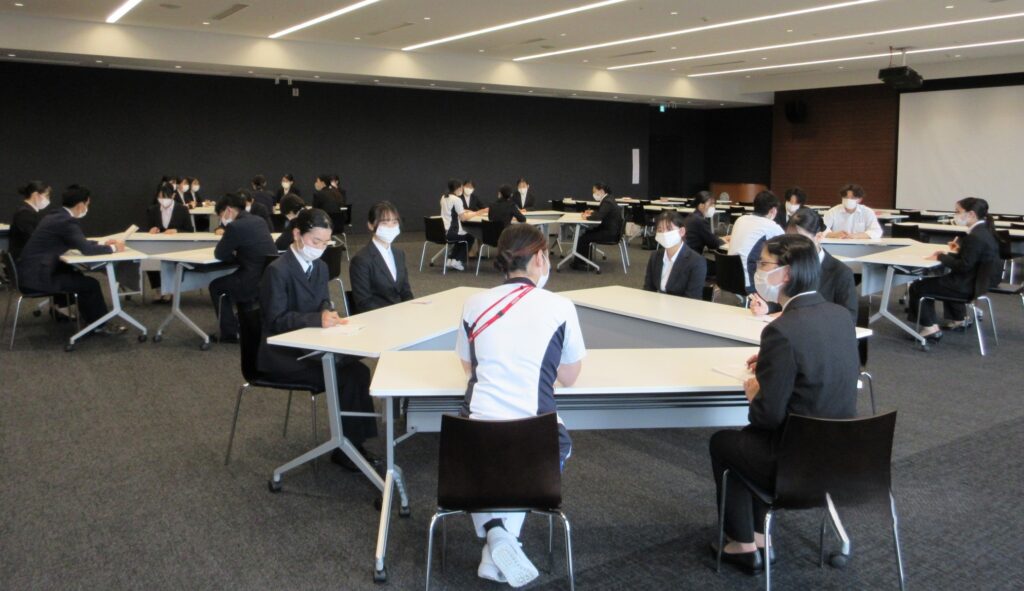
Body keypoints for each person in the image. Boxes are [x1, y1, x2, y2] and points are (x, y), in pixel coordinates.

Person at [709, 233, 859, 574]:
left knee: (726, 443)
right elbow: (819, 360)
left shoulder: (782, 330)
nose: (758, 270)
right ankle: (760, 537)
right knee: (749, 442)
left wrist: (755, 392)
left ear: (786, 273)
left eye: (764, 264)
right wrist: (771, 362)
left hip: (795, 463)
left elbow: (766, 416)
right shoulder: (839, 315)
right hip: (845, 454)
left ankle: (744, 544)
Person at [455, 224, 585, 586]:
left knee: (485, 461)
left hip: (472, 436)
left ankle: (496, 537)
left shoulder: (473, 304)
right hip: (534, 438)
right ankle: (503, 539)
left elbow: (469, 368)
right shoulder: (560, 306)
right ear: (540, 257)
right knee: (549, 449)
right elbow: (570, 376)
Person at [258, 208, 378, 471]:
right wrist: (316, 319)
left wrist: (327, 311)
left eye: (326, 242)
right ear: (297, 234)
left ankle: (353, 443)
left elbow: (323, 300)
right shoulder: (277, 270)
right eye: (315, 241)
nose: (321, 248)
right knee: (348, 374)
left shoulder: (321, 267)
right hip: (283, 354)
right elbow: (276, 320)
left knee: (357, 370)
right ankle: (346, 448)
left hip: (312, 343)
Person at [17, 185, 127, 335]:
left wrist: (102, 243)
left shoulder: (55, 216)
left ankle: (92, 320)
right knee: (91, 284)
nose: (87, 208)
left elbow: (78, 242)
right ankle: (99, 325)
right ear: (81, 205)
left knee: (78, 277)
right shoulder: (66, 221)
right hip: (38, 278)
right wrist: (114, 248)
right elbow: (87, 250)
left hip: (29, 274)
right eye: (87, 204)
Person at [907, 197, 1001, 340]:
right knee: (944, 280)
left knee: (917, 287)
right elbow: (972, 258)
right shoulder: (985, 232)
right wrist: (955, 253)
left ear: (971, 214)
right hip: (979, 283)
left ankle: (930, 328)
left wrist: (941, 257)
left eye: (958, 211)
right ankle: (959, 319)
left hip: (967, 285)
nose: (955, 215)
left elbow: (963, 266)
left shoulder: (975, 236)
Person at [750, 209, 857, 321]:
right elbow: (786, 297)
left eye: (800, 240)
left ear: (818, 237)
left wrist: (796, 314)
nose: (792, 246)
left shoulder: (841, 272)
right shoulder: (786, 265)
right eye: (788, 239)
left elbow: (849, 317)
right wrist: (768, 307)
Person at [208, 192, 277, 342]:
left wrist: (233, 256)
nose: (221, 219)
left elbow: (220, 254)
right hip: (268, 276)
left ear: (228, 210)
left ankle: (229, 332)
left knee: (216, 287)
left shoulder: (235, 226)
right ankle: (245, 325)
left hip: (251, 279)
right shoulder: (259, 220)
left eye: (220, 215)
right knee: (237, 280)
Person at [349, 201, 414, 313]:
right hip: (377, 316)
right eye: (385, 223)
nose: (391, 227)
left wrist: (410, 309)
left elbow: (405, 291)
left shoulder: (399, 254)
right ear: (370, 225)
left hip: (401, 314)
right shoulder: (361, 260)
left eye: (394, 222)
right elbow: (364, 302)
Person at [146, 183, 194, 303]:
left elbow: (190, 230)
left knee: (171, 263)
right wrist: (152, 229)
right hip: (157, 245)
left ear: (173, 196)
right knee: (149, 260)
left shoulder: (182, 209)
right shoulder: (153, 210)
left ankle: (170, 289)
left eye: (165, 197)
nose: (163, 200)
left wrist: (176, 230)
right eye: (160, 197)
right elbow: (148, 228)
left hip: (177, 245)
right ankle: (158, 288)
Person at [642, 211, 707, 299]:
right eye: (660, 230)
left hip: (683, 306)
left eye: (669, 229)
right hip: (657, 304)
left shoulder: (696, 262)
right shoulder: (655, 256)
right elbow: (648, 289)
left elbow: (692, 298)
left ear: (682, 231)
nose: (664, 234)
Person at [727, 191, 783, 292]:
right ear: (773, 210)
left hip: (727, 278)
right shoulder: (772, 227)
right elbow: (788, 247)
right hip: (749, 283)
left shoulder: (740, 219)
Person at [571, 182, 622, 271]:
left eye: (594, 192)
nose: (593, 194)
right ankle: (583, 261)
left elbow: (599, 216)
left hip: (609, 233)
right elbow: (602, 213)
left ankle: (581, 263)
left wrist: (586, 217)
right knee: (586, 234)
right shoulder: (609, 199)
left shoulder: (607, 201)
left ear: (601, 191)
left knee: (583, 238)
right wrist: (592, 213)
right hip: (611, 230)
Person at [440, 178, 481, 271]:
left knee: (461, 239)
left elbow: (452, 210)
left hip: (443, 230)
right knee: (470, 237)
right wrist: (476, 213)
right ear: (458, 188)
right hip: (452, 231)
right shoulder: (457, 199)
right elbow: (463, 218)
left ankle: (451, 259)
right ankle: (458, 260)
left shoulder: (444, 197)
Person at [9, 180, 52, 261]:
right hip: (26, 261)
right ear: (35, 195)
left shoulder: (27, 211)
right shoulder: (25, 214)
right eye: (46, 196)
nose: (48, 199)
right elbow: (34, 239)